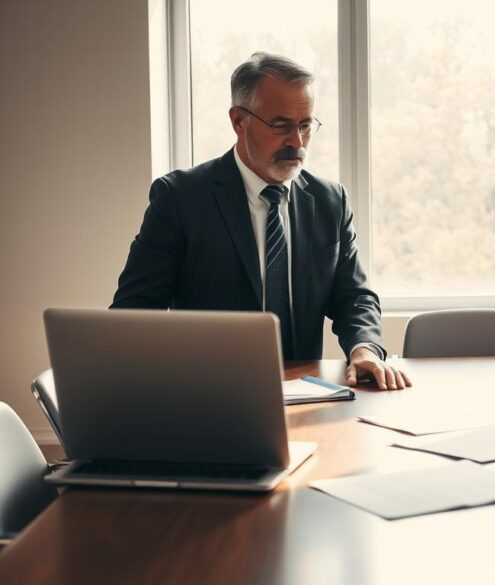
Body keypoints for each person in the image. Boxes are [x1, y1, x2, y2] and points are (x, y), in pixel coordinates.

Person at [112, 52, 409, 391]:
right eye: (281, 125)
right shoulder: (180, 198)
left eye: (306, 125)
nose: (297, 142)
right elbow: (134, 311)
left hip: (307, 393)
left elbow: (354, 297)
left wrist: (364, 348)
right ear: (239, 120)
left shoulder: (330, 201)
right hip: (208, 395)